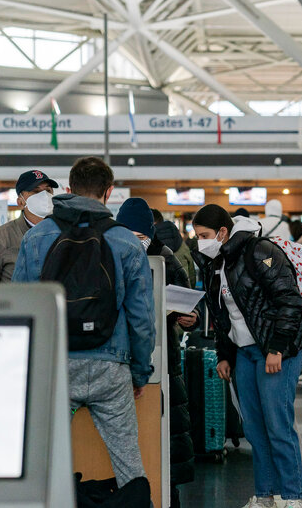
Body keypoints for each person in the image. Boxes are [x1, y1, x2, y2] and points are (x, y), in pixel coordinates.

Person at [12, 156, 155, 488]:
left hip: (57, 365)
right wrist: (139, 372)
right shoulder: (127, 241)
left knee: (43, 462)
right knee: (129, 464)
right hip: (111, 365)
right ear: (109, 191)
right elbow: (142, 319)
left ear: (68, 188)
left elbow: (21, 309)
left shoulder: (36, 237)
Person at [191, 204, 302, 508]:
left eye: (204, 235)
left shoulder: (259, 251)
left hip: (278, 348)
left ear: (222, 232)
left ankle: (293, 498)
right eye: (197, 236)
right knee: (254, 429)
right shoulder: (213, 263)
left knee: (277, 424)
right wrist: (223, 354)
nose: (199, 242)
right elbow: (221, 315)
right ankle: (264, 496)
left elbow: (289, 301)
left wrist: (277, 348)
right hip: (244, 352)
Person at [116, 197, 196, 507]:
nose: (136, 242)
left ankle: (168, 495)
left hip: (165, 357)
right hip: (126, 356)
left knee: (167, 431)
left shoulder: (166, 260)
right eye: (130, 235)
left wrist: (189, 317)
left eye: (141, 236)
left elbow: (187, 301)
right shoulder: (114, 255)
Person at [0, 170, 59, 283]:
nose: (44, 196)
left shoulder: (64, 233)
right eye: (36, 191)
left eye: (48, 190)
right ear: (20, 202)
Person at [156, 218, 197, 287]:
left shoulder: (152, 244)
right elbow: (191, 272)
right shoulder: (183, 246)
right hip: (182, 288)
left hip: (159, 288)